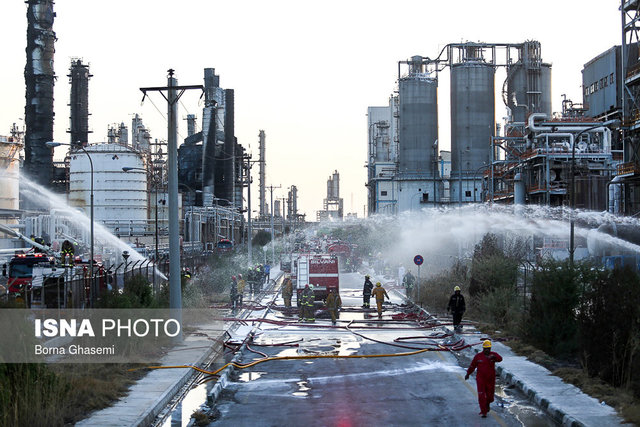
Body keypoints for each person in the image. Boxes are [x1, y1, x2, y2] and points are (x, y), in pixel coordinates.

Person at [465, 340, 503, 418]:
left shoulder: (493, 355)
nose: (487, 350)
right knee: (481, 395)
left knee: (490, 396)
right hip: (480, 379)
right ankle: (483, 412)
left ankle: (488, 403)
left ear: (490, 348)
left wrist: (494, 357)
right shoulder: (478, 356)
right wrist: (468, 373)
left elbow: (500, 359)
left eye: (488, 348)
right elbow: (472, 366)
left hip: (490, 379)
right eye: (485, 348)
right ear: (483, 348)